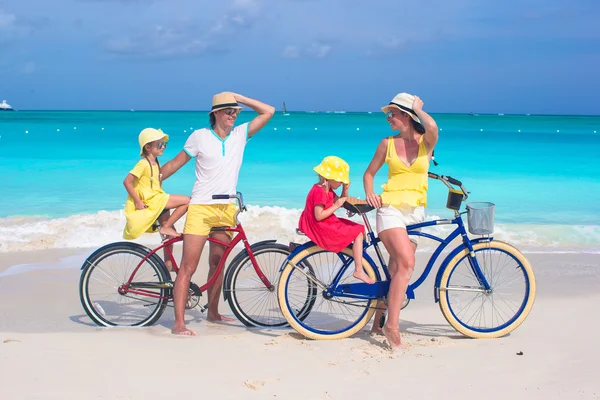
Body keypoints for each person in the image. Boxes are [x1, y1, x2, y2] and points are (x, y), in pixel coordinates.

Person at [159, 92, 275, 336]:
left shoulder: (239, 135)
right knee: (188, 267)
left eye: (235, 111)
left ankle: (213, 312)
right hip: (201, 208)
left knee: (217, 262)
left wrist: (239, 98)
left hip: (226, 209)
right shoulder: (199, 137)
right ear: (215, 114)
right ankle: (178, 323)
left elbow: (269, 111)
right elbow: (174, 163)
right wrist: (149, 182)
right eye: (228, 111)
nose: (233, 114)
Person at [363, 92, 439, 348]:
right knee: (407, 263)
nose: (388, 118)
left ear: (406, 115)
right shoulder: (386, 143)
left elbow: (432, 126)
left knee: (397, 270)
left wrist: (418, 108)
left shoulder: (426, 143)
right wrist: (370, 194)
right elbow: (369, 174)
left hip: (416, 212)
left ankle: (377, 321)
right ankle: (392, 327)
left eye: (392, 114)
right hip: (390, 209)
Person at [298, 156, 373, 284]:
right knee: (359, 232)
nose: (341, 183)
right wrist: (336, 205)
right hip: (320, 225)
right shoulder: (319, 191)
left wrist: (345, 189)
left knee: (358, 228)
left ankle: (356, 254)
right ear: (329, 177)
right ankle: (359, 269)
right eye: (340, 181)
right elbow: (319, 215)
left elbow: (341, 201)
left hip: (326, 222)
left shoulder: (327, 188)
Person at [122, 127, 190, 240]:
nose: (163, 147)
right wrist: (138, 201)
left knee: (169, 237)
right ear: (148, 147)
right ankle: (167, 226)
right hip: (153, 200)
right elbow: (127, 181)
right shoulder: (143, 164)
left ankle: (168, 256)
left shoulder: (155, 162)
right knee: (188, 201)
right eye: (159, 145)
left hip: (157, 197)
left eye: (164, 144)